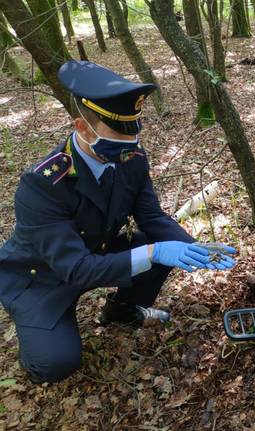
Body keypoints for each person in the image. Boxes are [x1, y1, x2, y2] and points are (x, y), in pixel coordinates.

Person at [0, 61, 236, 384]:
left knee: (158, 249)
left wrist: (192, 248)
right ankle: (37, 331)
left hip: (96, 253)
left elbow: (151, 217)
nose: (132, 139)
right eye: (119, 131)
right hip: (41, 278)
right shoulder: (43, 184)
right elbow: (75, 268)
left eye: (134, 127)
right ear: (83, 128)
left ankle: (120, 311)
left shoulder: (130, 159)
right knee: (55, 363)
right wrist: (153, 252)